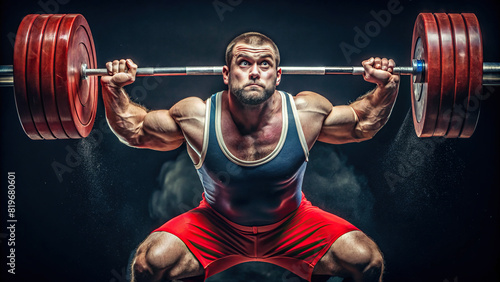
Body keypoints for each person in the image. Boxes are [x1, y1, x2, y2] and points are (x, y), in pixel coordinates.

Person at [101, 32, 399, 282]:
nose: (255, 71)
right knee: (148, 264)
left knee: (366, 260)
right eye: (244, 63)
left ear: (277, 75)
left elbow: (362, 124)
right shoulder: (198, 117)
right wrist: (113, 89)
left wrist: (386, 87)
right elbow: (136, 130)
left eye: (264, 64)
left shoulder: (305, 113)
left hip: (292, 224)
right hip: (217, 226)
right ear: (227, 74)